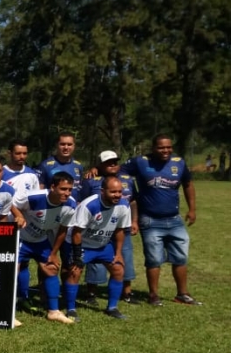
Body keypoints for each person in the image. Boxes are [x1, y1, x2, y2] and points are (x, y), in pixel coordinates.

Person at [121, 134, 200, 306]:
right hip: (150, 220)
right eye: (161, 147)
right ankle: (154, 295)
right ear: (153, 148)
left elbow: (188, 184)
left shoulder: (179, 162)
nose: (166, 150)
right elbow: (118, 172)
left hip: (174, 219)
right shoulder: (140, 162)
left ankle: (182, 294)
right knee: (154, 259)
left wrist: (192, 209)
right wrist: (97, 170)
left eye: (168, 147)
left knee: (180, 257)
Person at [11, 171, 77, 324]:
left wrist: (54, 253)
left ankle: (53, 311)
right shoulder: (35, 197)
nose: (67, 193)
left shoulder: (71, 204)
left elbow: (62, 229)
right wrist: (18, 216)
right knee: (13, 271)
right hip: (21, 238)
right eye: (63, 189)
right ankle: (10, 312)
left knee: (51, 267)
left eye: (69, 189)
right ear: (52, 187)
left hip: (41, 240)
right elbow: (12, 204)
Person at [64, 175, 132, 320]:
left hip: (103, 245)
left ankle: (112, 308)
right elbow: (76, 232)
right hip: (82, 244)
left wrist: (118, 253)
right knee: (74, 272)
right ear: (102, 191)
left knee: (118, 269)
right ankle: (70, 309)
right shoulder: (89, 205)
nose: (117, 195)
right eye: (113, 192)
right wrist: (77, 256)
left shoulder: (124, 205)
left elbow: (120, 231)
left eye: (120, 192)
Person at [78, 151, 138, 305]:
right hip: (98, 226)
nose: (112, 164)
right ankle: (91, 293)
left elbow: (133, 202)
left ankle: (127, 292)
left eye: (115, 162)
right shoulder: (91, 180)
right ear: (99, 164)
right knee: (96, 260)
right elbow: (82, 202)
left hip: (119, 224)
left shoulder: (127, 179)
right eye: (108, 162)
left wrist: (135, 221)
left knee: (124, 256)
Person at [37, 131, 84, 202]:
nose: (66, 147)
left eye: (69, 144)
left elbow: (79, 190)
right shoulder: (45, 165)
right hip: (52, 208)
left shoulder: (78, 166)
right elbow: (39, 191)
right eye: (62, 144)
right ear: (57, 145)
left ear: (74, 146)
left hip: (72, 208)